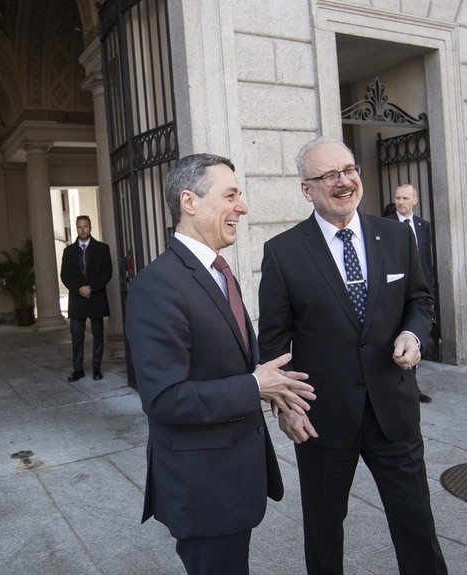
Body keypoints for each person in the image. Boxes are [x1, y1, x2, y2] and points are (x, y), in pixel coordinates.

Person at [258, 137, 447, 575]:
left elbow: (421, 302)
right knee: (324, 534)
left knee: (417, 526)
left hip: (393, 412)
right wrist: (283, 407)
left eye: (349, 170)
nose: (344, 182)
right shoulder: (283, 252)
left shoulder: (397, 235)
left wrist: (414, 337)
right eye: (329, 175)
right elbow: (273, 347)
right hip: (322, 418)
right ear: (307, 189)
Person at [124, 153, 315, 574]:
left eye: (240, 196)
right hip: (203, 490)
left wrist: (276, 392)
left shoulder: (216, 271)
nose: (242, 207)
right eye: (230, 195)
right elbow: (165, 399)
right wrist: (254, 386)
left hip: (230, 481)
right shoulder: (157, 285)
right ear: (189, 202)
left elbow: (227, 362)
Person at [387, 183, 438, 398]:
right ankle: (406, 389)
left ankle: (413, 387)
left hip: (420, 292)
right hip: (397, 292)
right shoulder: (385, 225)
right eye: (397, 198)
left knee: (417, 337)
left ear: (415, 200)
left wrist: (430, 288)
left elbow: (426, 260)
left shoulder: (423, 225)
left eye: (405, 198)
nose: (400, 202)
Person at [60, 215, 113, 381]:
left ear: (90, 228)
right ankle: (78, 369)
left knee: (98, 334)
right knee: (77, 336)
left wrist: (91, 287)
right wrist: (79, 288)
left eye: (85, 226)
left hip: (96, 297)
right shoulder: (68, 252)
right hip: (77, 300)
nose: (83, 229)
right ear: (76, 229)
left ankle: (97, 368)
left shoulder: (102, 248)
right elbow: (65, 275)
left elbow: (107, 272)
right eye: (80, 227)